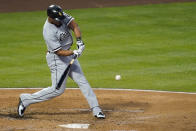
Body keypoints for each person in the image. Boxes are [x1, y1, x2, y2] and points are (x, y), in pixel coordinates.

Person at [17, 4, 105, 119]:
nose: (60, 22)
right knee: (57, 90)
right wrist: (74, 52)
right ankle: (25, 99)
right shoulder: (48, 31)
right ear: (50, 18)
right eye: (57, 20)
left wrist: (79, 41)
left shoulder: (61, 15)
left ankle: (96, 109)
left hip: (68, 54)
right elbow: (59, 52)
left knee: (82, 81)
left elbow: (74, 25)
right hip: (57, 59)